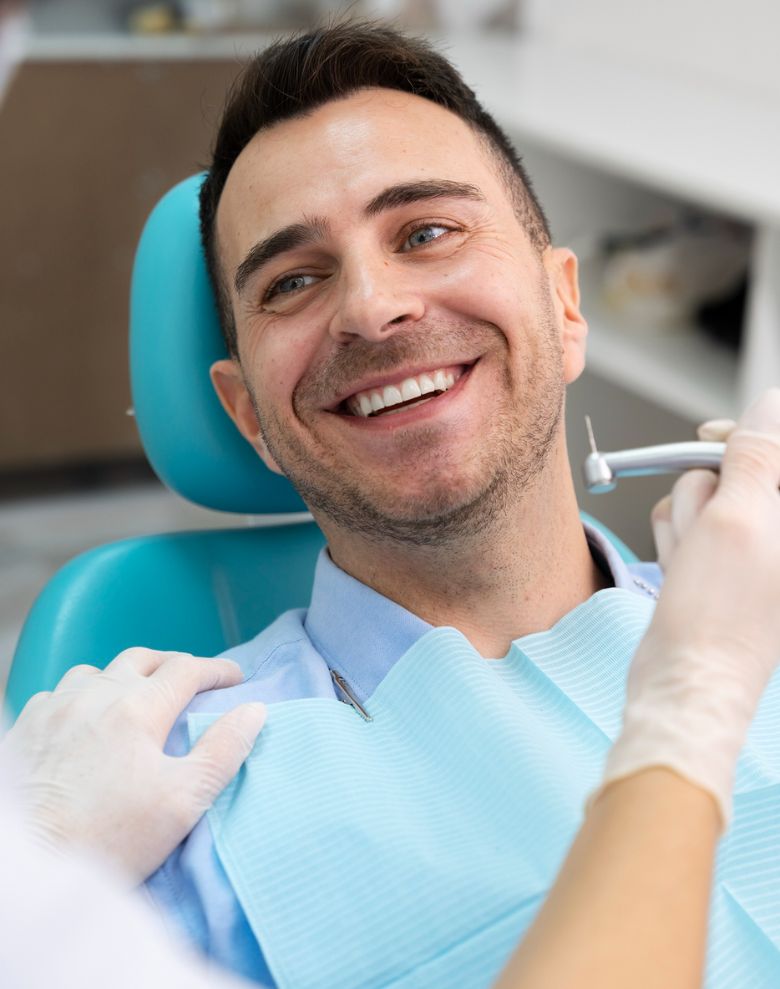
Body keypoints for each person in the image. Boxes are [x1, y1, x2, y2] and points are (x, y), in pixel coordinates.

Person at [3, 17, 780, 989]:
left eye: (426, 231)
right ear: (249, 415)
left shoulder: (760, 605)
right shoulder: (169, 791)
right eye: (294, 281)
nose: (373, 308)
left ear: (566, 307)